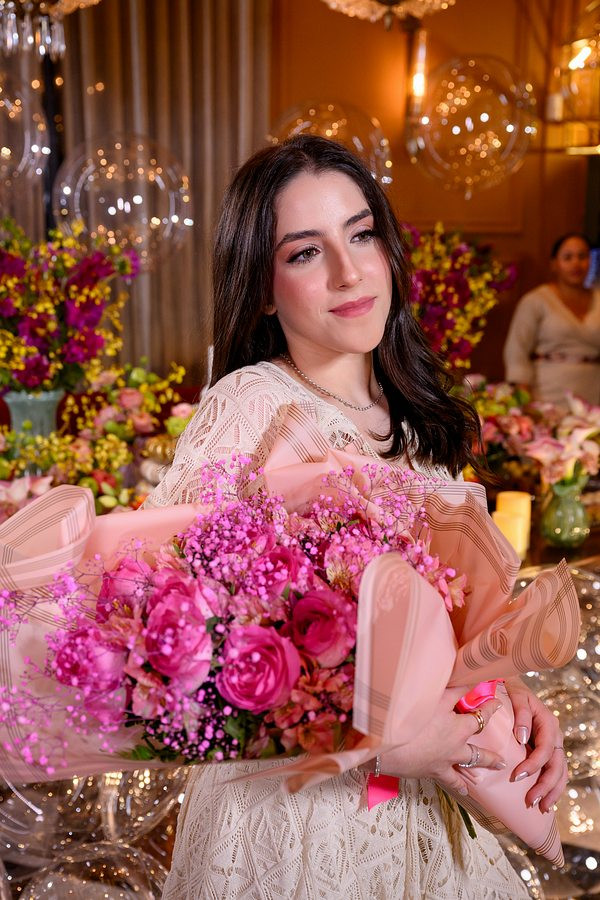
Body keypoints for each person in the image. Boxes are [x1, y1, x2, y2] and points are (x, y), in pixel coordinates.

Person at [147, 135, 566, 899]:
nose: (348, 272)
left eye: (361, 234)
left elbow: (452, 620)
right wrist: (375, 743)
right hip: (300, 829)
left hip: (426, 816)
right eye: (306, 252)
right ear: (263, 286)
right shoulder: (254, 409)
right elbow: (166, 648)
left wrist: (509, 694)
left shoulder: (416, 421)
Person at [503, 233, 600, 407]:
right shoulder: (536, 300)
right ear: (554, 264)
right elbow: (516, 351)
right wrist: (524, 399)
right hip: (547, 396)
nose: (576, 263)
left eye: (582, 256)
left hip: (594, 395)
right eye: (568, 257)